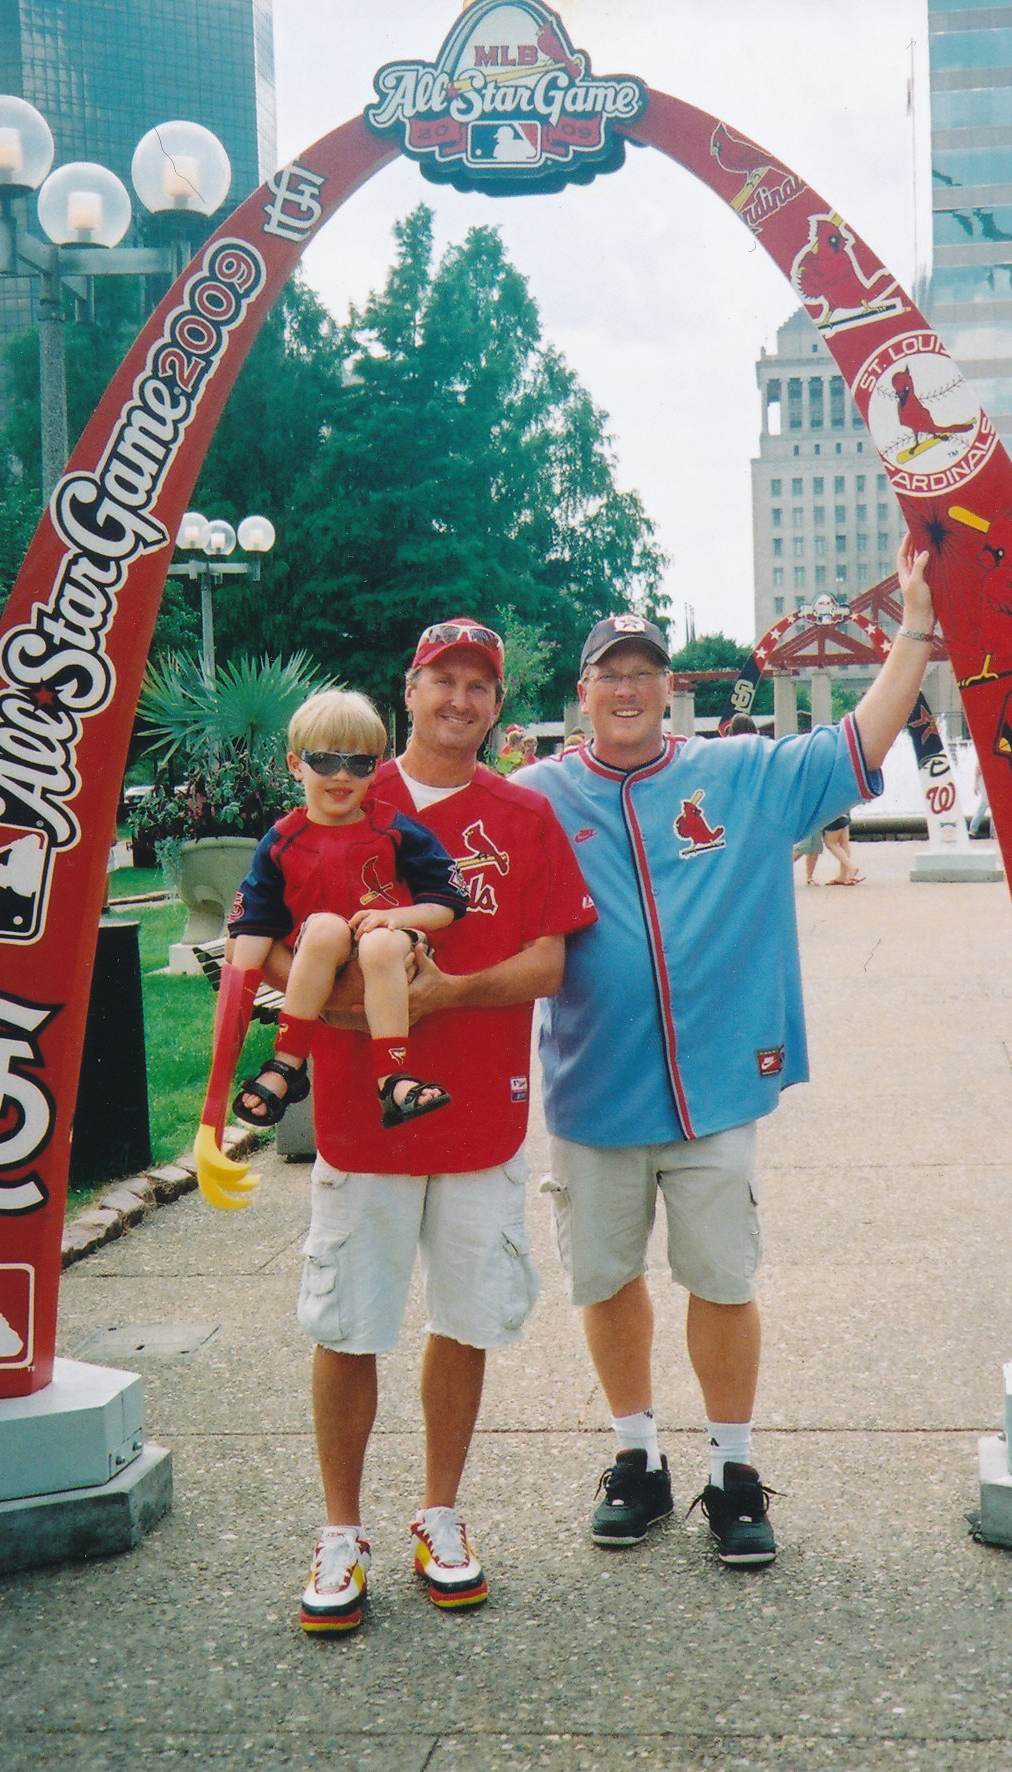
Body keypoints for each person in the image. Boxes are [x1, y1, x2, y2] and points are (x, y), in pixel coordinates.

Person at [517, 540, 935, 1569]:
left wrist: (918, 629)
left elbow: (858, 739)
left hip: (712, 1091)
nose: (627, 688)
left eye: (644, 671)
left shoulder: (739, 775)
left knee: (722, 1278)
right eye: (609, 672)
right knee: (605, 1279)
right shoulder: (534, 797)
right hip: (592, 1087)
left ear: (671, 689)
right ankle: (638, 1457)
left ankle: (732, 1469)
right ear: (582, 692)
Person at [261, 618, 597, 1634]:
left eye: (478, 685)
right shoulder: (340, 792)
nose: (459, 699)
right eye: (441, 680)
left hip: (480, 1111)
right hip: (359, 1116)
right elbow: (267, 943)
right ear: (408, 690)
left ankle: (439, 1514)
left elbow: (550, 961)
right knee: (348, 1322)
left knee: (465, 1316)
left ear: (497, 704)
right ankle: (339, 1531)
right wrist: (339, 1004)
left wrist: (446, 992)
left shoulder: (523, 813)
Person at [226, 690, 469, 1131]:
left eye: (359, 763)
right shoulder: (282, 841)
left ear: (375, 768)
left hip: (394, 952)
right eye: (324, 761)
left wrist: (397, 918)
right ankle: (287, 1062)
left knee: (377, 942)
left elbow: (449, 902)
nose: (342, 776)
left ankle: (393, 1077)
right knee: (322, 928)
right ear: (295, 764)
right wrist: (233, 1016)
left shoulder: (392, 828)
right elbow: (251, 933)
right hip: (325, 955)